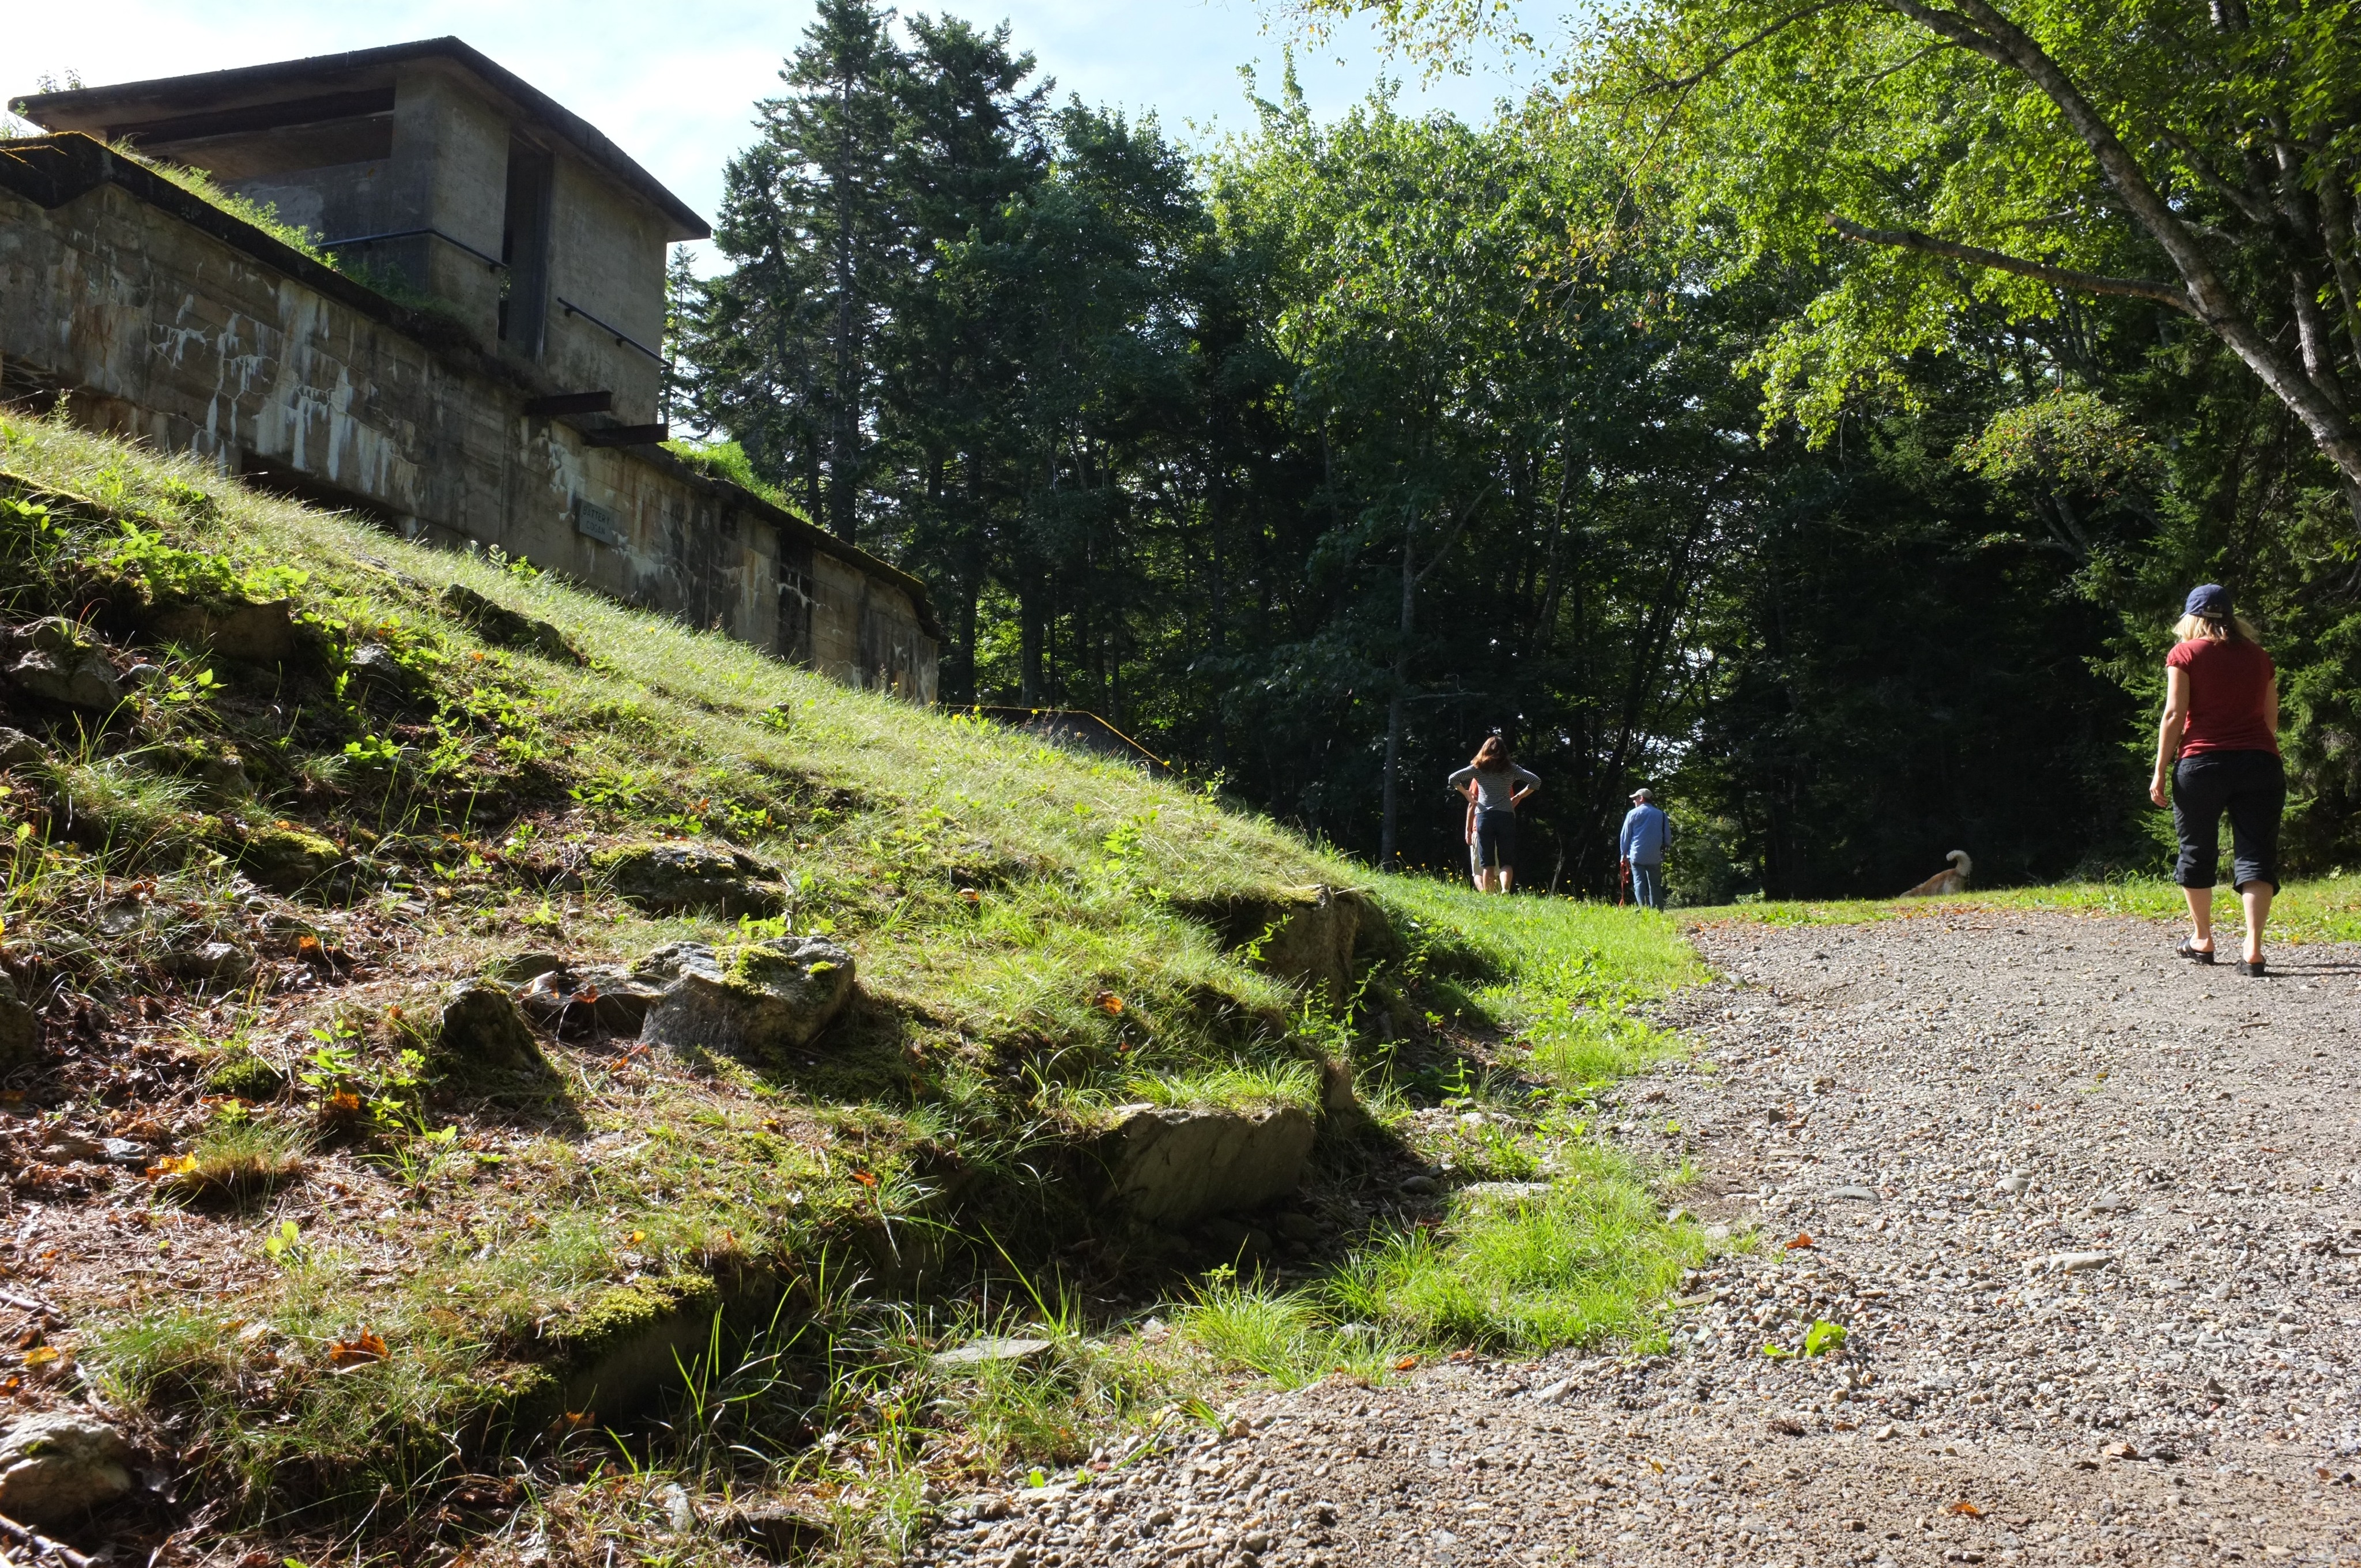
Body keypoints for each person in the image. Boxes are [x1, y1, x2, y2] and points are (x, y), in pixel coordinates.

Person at [2152, 583, 2281, 976]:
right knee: (2256, 853)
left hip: (2202, 764)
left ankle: (2203, 939)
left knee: (2197, 850)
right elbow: (2270, 718)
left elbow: (2175, 714)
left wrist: (2159, 770)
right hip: (2260, 761)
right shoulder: (2260, 657)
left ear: (2192, 618)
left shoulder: (2185, 653)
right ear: (2230, 616)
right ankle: (2254, 949)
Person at [1447, 737, 1540, 893]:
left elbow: (1453, 778)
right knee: (1506, 862)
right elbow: (1535, 781)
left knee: (1487, 862)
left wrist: (1466, 793)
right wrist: (1519, 797)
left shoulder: (1478, 768)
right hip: (1506, 816)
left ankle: (1490, 896)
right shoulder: (1512, 768)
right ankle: (1504, 889)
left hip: (1484, 817)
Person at [1619, 788, 1670, 910]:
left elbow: (1625, 836)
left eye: (1636, 798)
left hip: (1637, 855)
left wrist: (1623, 855)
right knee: (1655, 884)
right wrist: (1666, 847)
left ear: (1641, 798)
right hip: (1655, 856)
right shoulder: (1662, 815)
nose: (1634, 801)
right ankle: (1658, 911)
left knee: (1639, 883)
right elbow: (1668, 837)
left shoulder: (1632, 814)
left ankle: (1644, 910)